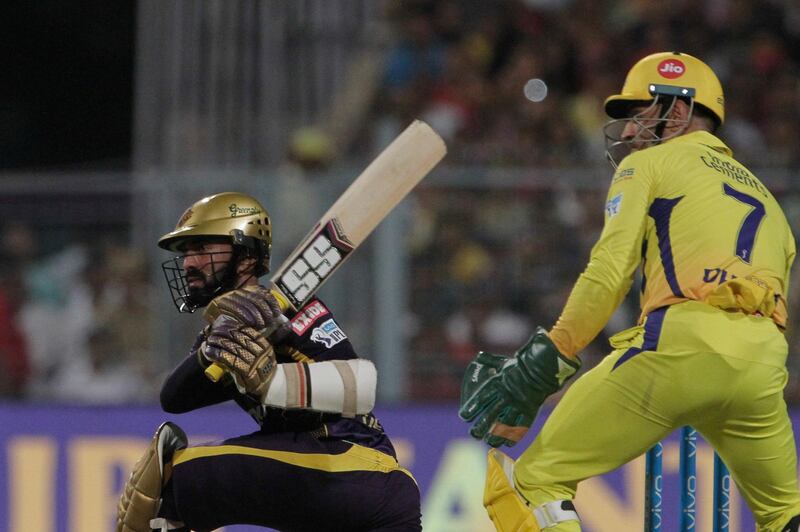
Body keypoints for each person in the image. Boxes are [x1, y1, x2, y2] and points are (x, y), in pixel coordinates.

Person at [459, 51, 800, 531]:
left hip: (681, 347)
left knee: (529, 484)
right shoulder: (773, 203)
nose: (626, 132)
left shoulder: (652, 163)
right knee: (786, 516)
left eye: (639, 115)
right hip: (764, 363)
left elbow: (609, 272)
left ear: (677, 112)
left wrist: (553, 354)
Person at [116, 192, 421, 532]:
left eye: (201, 249)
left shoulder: (291, 309)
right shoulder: (224, 336)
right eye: (186, 252)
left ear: (245, 257)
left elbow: (360, 386)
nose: (188, 263)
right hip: (343, 500)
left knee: (179, 476)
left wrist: (273, 382)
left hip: (357, 469)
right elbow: (173, 399)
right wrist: (210, 350)